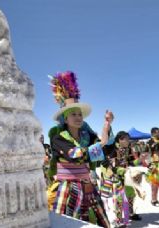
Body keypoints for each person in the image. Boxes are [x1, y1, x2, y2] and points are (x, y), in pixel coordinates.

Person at [48, 71, 111, 227]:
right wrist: (101, 144)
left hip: (88, 185)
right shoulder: (58, 138)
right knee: (66, 221)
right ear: (65, 118)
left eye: (80, 114)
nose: (78, 117)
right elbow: (75, 155)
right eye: (73, 114)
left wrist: (106, 126)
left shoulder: (87, 137)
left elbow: (106, 150)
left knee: (98, 220)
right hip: (67, 187)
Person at [100, 131, 143, 227]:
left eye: (128, 138)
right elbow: (111, 167)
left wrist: (139, 160)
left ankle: (130, 213)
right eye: (126, 139)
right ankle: (118, 220)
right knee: (119, 199)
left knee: (131, 195)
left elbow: (129, 163)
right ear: (120, 140)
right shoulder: (113, 150)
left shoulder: (126, 149)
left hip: (125, 175)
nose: (128, 141)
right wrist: (123, 170)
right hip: (116, 177)